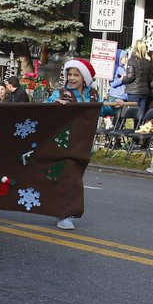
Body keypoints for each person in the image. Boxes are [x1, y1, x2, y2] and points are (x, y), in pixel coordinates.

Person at [46, 59, 98, 230]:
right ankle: (64, 215)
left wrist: (115, 106)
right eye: (70, 74)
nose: (72, 78)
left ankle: (62, 210)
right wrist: (55, 105)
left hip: (83, 144)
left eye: (76, 75)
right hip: (65, 143)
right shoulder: (60, 93)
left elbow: (102, 109)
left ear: (85, 78)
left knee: (75, 176)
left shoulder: (94, 95)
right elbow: (45, 106)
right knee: (70, 177)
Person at [121, 40, 153, 114]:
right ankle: (139, 125)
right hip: (144, 91)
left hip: (133, 91)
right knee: (141, 114)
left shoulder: (132, 61)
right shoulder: (148, 62)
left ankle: (136, 125)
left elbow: (130, 77)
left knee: (135, 113)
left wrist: (123, 79)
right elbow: (150, 78)